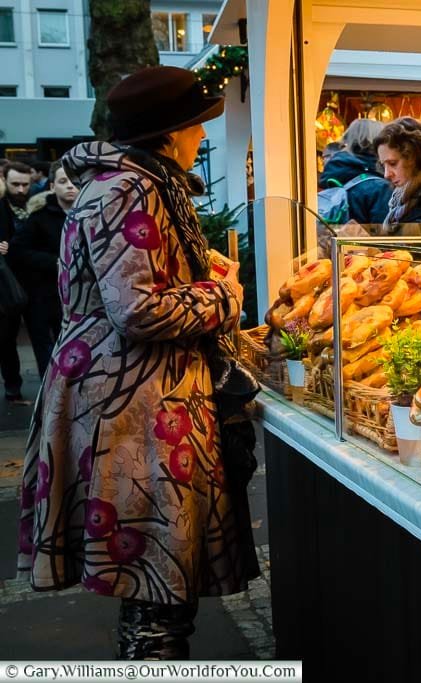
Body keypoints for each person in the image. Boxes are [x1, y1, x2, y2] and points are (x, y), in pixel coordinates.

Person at [17, 66, 259, 660]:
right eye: (196, 126)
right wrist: (225, 295)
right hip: (130, 404)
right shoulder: (132, 189)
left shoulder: (131, 184)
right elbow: (140, 310)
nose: (202, 137)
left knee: (159, 588)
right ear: (168, 134)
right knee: (156, 584)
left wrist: (202, 278)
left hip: (128, 394)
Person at [9, 161, 78, 376]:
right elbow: (18, 251)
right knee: (47, 349)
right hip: (45, 294)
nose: (69, 186)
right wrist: (55, 262)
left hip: (79, 294)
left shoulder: (91, 215)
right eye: (62, 181)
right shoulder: (39, 217)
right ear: (52, 186)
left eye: (74, 182)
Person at [318, 118, 393, 226]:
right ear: (377, 143)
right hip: (365, 243)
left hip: (331, 242)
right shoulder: (379, 187)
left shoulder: (333, 177)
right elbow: (384, 235)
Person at [0, 161, 33, 403]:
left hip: (29, 280)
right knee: (6, 338)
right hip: (6, 282)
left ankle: (14, 385)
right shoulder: (2, 206)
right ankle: (12, 385)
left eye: (25, 184)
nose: (21, 190)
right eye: (15, 184)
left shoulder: (36, 207)